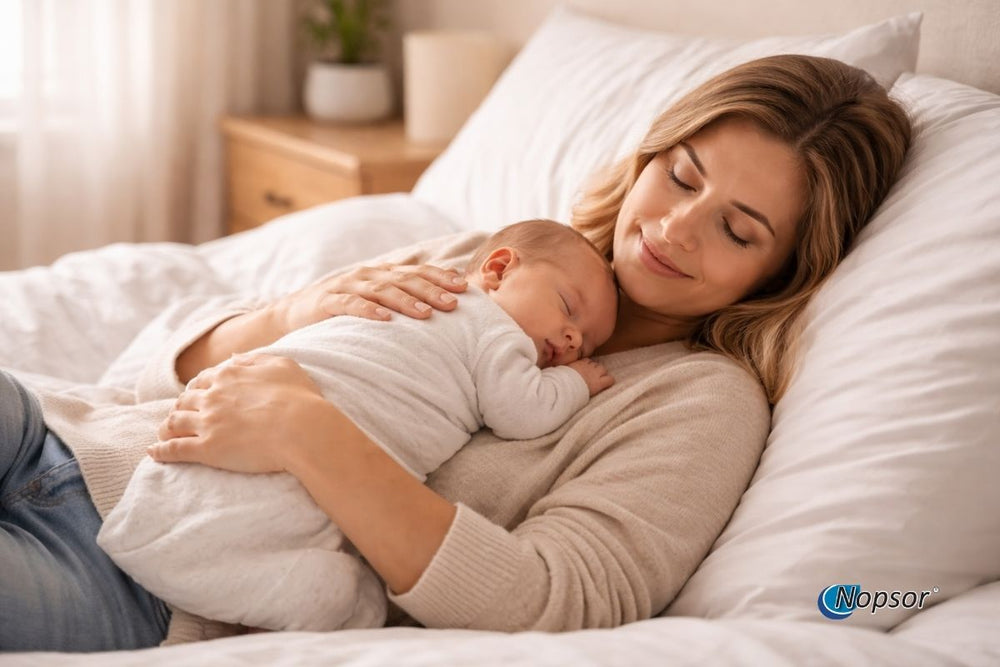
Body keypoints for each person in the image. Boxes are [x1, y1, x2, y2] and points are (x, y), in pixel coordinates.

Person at [0, 53, 911, 650]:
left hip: (140, 574)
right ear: (647, 159)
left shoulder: (695, 405)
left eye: (737, 228)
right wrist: (291, 315)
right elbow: (135, 374)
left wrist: (311, 433)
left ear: (783, 271)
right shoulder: (505, 260)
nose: (674, 227)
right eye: (680, 175)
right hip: (64, 435)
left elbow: (555, 599)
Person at [95, 219, 619, 633]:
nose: (573, 340)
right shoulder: (494, 329)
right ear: (498, 270)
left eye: (588, 344)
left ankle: (161, 542)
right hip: (129, 453)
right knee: (340, 599)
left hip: (134, 472)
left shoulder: (438, 300)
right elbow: (522, 412)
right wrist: (576, 381)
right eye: (568, 309)